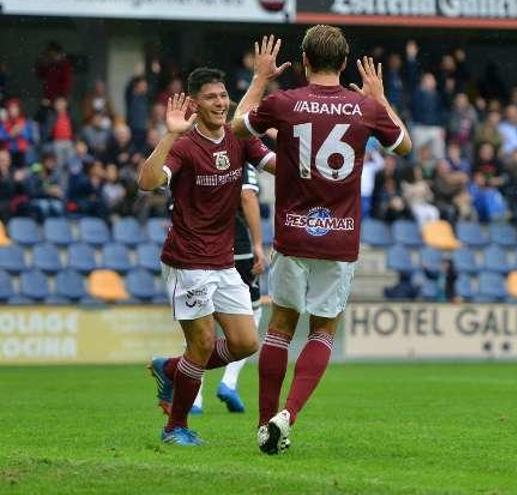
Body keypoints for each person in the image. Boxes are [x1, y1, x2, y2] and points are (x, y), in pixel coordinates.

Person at [231, 29, 412, 455]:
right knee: (324, 328)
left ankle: (264, 422)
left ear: (305, 60)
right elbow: (404, 147)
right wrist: (380, 97)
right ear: (345, 62)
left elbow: (239, 128)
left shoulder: (286, 102)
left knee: (281, 327)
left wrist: (259, 79)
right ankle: (287, 416)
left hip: (293, 233)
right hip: (339, 236)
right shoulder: (365, 108)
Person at [138, 67, 277, 446]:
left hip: (223, 259)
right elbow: (147, 182)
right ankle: (175, 428)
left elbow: (276, 166)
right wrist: (169, 132)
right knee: (200, 344)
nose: (220, 102)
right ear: (195, 104)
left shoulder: (238, 138)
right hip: (187, 260)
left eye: (223, 96)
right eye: (212, 97)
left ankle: (171, 368)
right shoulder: (183, 145)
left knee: (246, 342)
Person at [191, 163, 267, 414]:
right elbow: (247, 195)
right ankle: (229, 382)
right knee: (252, 313)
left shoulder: (192, 154)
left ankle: (195, 398)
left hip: (199, 246)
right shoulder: (237, 156)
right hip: (235, 245)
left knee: (201, 322)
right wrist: (258, 244)